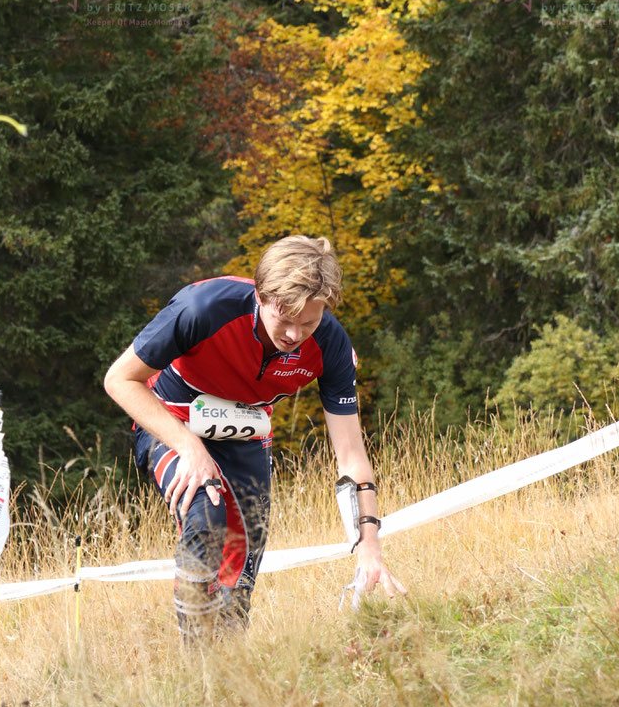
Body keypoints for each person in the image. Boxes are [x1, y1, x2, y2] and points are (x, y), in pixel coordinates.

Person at [104, 235, 406, 640]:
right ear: (261, 295)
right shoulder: (204, 308)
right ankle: (197, 667)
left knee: (244, 554)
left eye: (309, 322)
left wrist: (369, 547)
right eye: (285, 318)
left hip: (245, 430)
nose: (294, 334)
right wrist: (190, 448)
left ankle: (230, 671)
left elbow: (351, 458)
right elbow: (119, 379)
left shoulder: (330, 344)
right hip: (173, 418)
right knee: (205, 513)